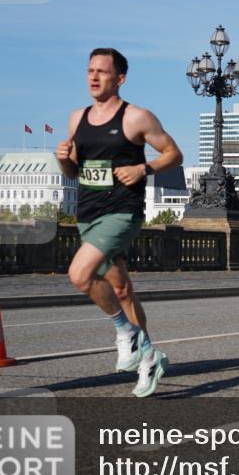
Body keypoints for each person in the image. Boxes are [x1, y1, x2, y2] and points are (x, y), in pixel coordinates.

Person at [56, 48, 180, 397]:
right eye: (90, 71)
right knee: (122, 289)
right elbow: (74, 171)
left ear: (120, 78)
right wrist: (63, 159)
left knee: (80, 275)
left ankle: (125, 332)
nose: (94, 77)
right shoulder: (77, 118)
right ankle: (149, 358)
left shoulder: (136, 117)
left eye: (102, 72)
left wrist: (143, 168)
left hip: (123, 212)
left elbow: (173, 154)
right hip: (88, 214)